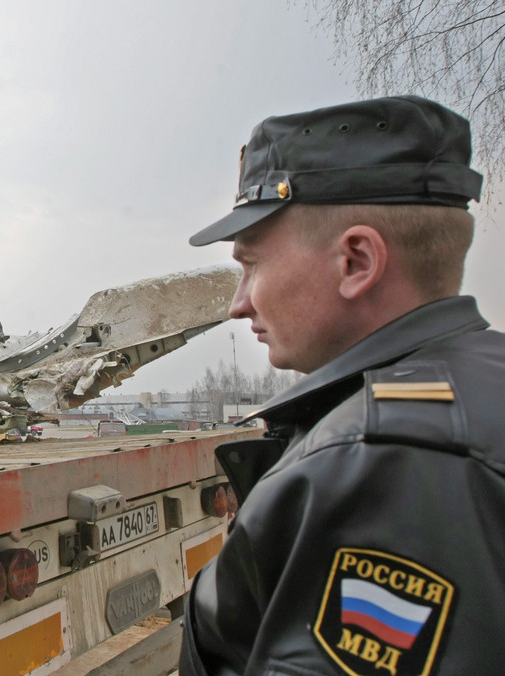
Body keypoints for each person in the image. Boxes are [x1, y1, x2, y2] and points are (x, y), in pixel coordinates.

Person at [181, 95, 505, 675]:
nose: (238, 304)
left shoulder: (382, 462)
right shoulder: (481, 385)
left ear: (356, 261)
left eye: (252, 264)